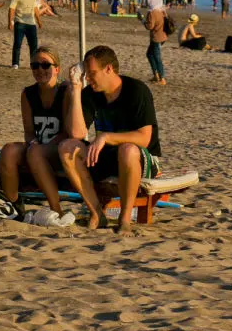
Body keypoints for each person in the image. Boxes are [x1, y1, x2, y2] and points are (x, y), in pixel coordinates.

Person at [59, 45, 162, 235]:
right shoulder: (91, 93)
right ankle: (97, 213)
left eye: (92, 73)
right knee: (67, 147)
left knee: (127, 150)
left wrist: (106, 137)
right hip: (107, 156)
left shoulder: (136, 91)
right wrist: (76, 89)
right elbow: (77, 133)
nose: (88, 78)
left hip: (142, 159)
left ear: (109, 69)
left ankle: (124, 220)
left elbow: (144, 138)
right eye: (87, 74)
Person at [0, 47, 76, 225]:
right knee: (9, 150)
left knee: (35, 152)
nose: (40, 70)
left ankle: (56, 209)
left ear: (57, 68)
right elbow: (29, 130)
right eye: (35, 66)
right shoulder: (28, 94)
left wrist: (42, 147)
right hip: (38, 146)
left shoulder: (65, 93)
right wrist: (33, 143)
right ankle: (14, 205)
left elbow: (68, 131)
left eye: (45, 65)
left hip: (60, 148)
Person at [8, 0, 41, 70]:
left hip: (31, 23)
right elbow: (12, 8)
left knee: (33, 45)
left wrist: (39, 20)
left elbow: (35, 7)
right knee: (17, 43)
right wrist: (10, 21)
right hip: (20, 22)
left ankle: (33, 63)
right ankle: (15, 63)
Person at [142, 0, 167, 85]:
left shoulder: (152, 13)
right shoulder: (162, 10)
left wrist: (142, 20)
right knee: (149, 54)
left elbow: (150, 26)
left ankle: (161, 78)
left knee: (156, 57)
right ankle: (156, 75)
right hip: (163, 37)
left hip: (156, 38)